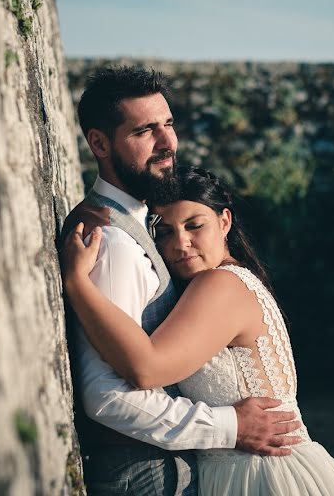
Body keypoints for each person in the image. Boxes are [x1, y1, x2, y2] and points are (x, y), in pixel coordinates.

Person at [62, 166, 334, 495]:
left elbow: (147, 368)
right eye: (165, 231)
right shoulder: (229, 280)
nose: (180, 244)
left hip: (260, 473)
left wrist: (77, 284)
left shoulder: (220, 285)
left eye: (194, 226)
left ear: (224, 221)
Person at [62, 67, 302, 495]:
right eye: (146, 130)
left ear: (224, 221)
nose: (168, 142)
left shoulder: (152, 237)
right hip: (147, 472)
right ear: (99, 143)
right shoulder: (113, 241)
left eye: (168, 124)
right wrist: (229, 426)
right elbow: (109, 394)